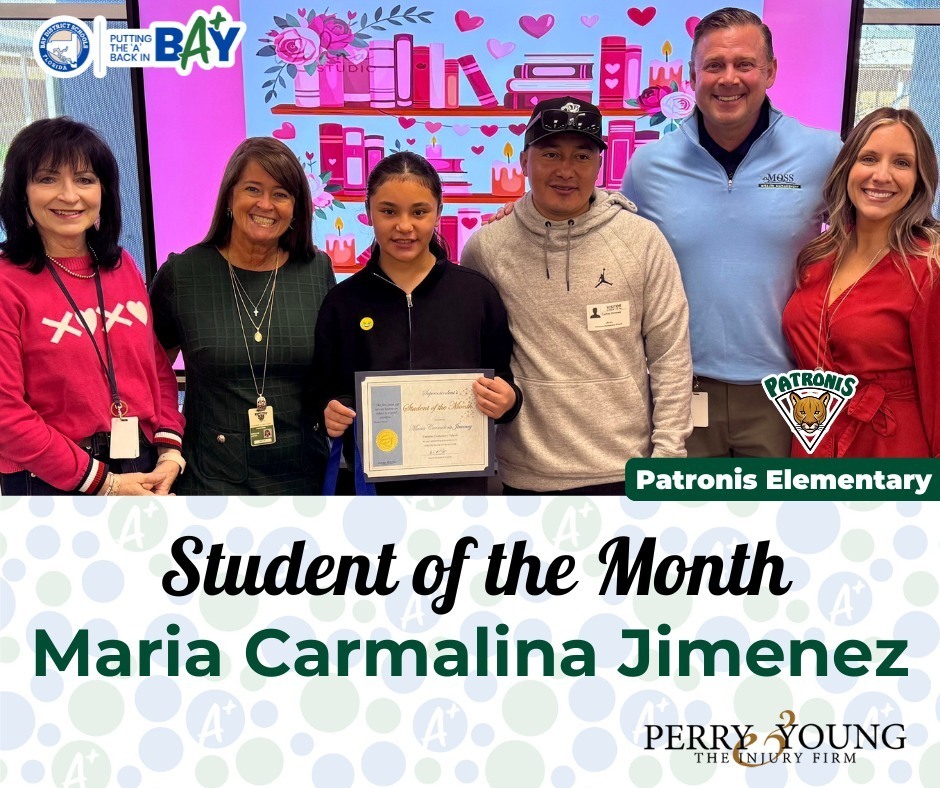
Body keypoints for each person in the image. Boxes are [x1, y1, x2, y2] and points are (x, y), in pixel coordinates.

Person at [621, 7, 843, 457]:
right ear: (691, 75)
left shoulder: (824, 154)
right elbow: (611, 244)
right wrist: (526, 211)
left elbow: (876, 229)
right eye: (714, 65)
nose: (729, 79)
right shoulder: (648, 167)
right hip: (680, 390)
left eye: (744, 64)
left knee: (776, 525)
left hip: (790, 392)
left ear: (771, 71)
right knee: (685, 525)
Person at [461, 96, 692, 494]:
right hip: (525, 471)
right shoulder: (487, 248)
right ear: (524, 161)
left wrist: (667, 460)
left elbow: (671, 355)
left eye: (582, 157)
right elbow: (473, 355)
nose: (566, 171)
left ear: (599, 164)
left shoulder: (642, 240)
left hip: (624, 468)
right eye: (550, 153)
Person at [313, 151, 521, 494]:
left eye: (419, 212)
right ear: (368, 213)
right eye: (389, 211)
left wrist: (509, 400)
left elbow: (506, 380)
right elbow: (321, 388)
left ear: (439, 212)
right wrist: (328, 411)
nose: (405, 226)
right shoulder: (342, 302)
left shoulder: (476, 294)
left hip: (460, 492)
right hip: (372, 492)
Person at [0, 118, 184, 495]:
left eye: (85, 179)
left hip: (141, 465)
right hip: (48, 479)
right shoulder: (7, 281)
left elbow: (154, 367)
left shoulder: (122, 266)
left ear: (104, 191)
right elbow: (6, 414)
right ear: (21, 192)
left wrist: (169, 450)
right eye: (48, 179)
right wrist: (105, 484)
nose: (69, 196)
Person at [150, 137, 335, 494]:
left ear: (296, 208)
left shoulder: (317, 270)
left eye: (281, 194)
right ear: (230, 198)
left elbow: (332, 371)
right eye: (253, 189)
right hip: (211, 477)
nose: (266, 204)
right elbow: (151, 378)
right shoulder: (182, 273)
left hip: (302, 474)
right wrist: (165, 449)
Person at [782, 108, 940, 457]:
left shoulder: (929, 268)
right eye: (869, 158)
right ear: (848, 168)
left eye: (902, 163)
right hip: (814, 435)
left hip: (891, 447)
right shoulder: (817, 258)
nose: (881, 175)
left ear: (920, 178)